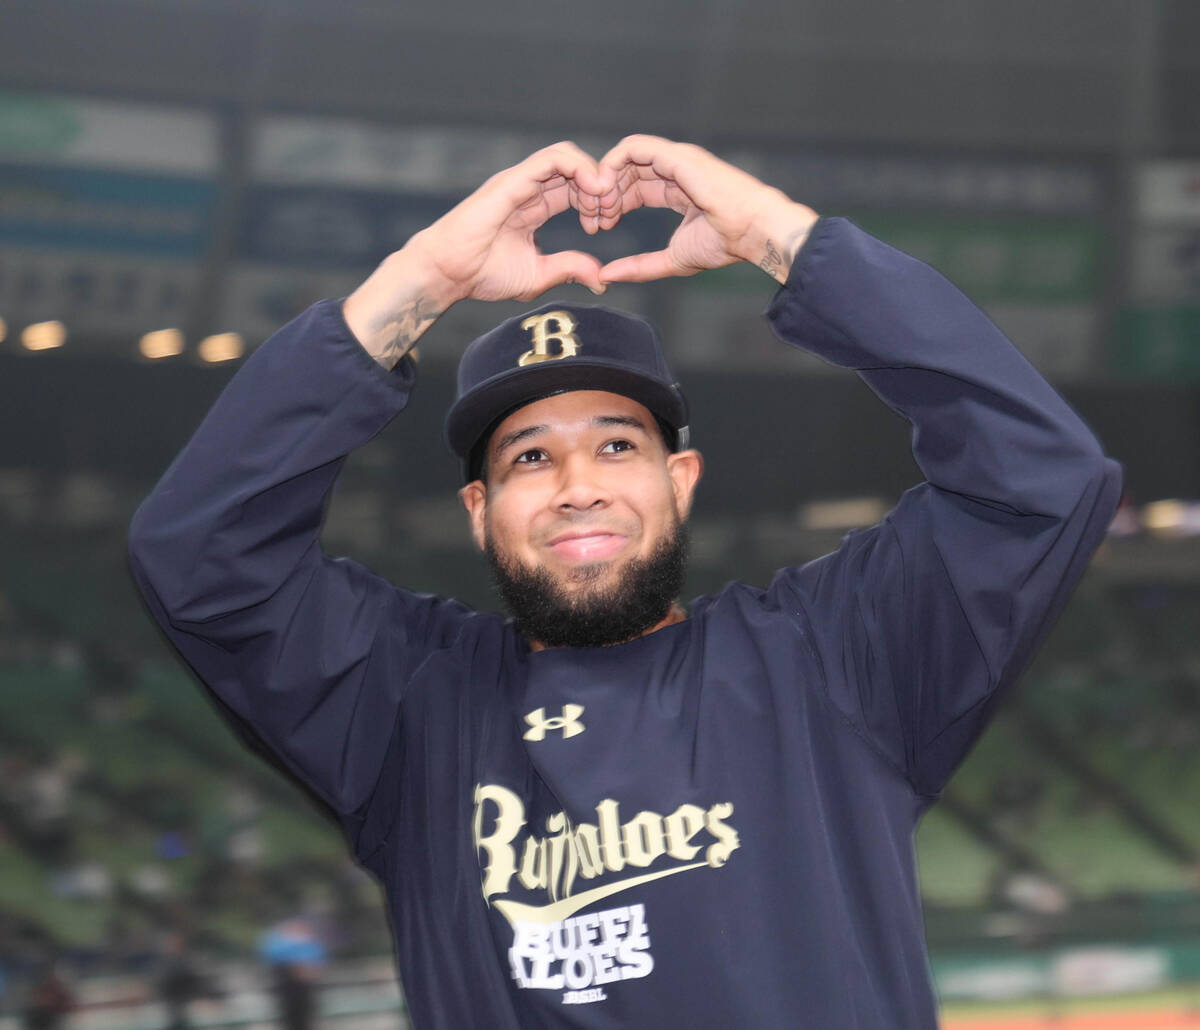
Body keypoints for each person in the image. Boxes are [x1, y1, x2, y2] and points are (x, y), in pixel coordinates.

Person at [129, 136, 1122, 1028]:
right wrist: (420, 279)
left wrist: (782, 237)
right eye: (529, 458)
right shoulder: (408, 705)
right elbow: (199, 554)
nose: (578, 488)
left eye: (616, 445)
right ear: (477, 508)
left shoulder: (834, 658)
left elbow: (1040, 478)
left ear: (679, 481)